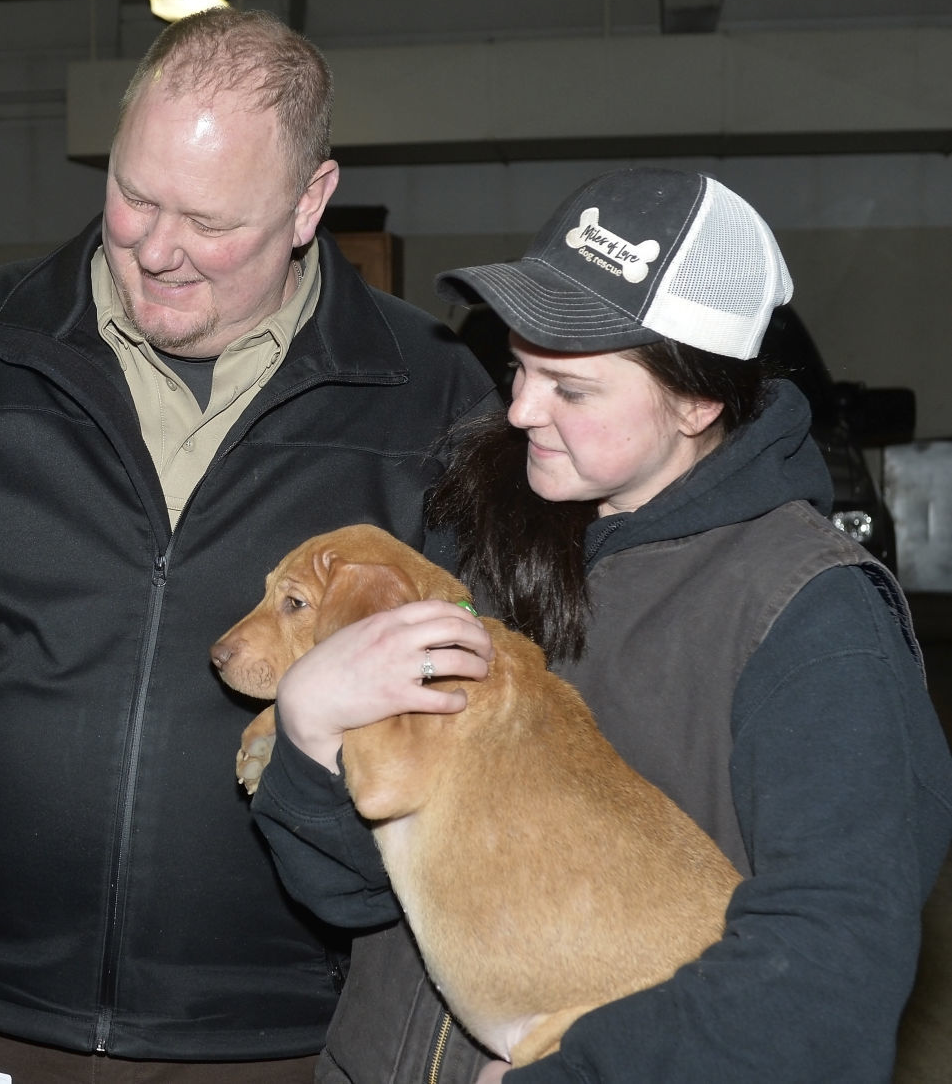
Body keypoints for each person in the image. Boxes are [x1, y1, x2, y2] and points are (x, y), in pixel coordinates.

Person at [0, 8, 498, 1080]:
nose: (155, 248)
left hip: (282, 1018)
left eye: (207, 220)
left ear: (308, 202)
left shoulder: (428, 394)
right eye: (132, 193)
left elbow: (485, 688)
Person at [250, 167, 952, 1082]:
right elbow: (353, 893)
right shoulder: (486, 546)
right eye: (517, 367)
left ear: (698, 401)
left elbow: (825, 978)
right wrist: (308, 737)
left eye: (569, 387)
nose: (517, 410)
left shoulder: (809, 617)